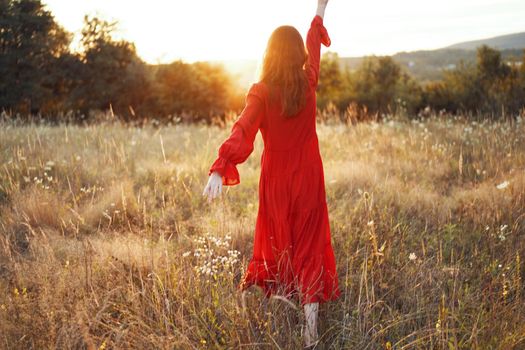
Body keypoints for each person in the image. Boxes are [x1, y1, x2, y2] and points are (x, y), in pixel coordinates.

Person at [202, 0, 340, 347]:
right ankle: (310, 331)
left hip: (277, 181)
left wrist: (221, 166)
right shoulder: (308, 82)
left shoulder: (261, 91)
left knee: (279, 240)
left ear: (269, 54)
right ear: (297, 56)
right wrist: (320, 8)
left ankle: (282, 305)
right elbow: (313, 44)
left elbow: (243, 128)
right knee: (309, 245)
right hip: (308, 176)